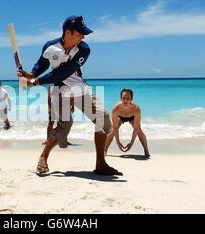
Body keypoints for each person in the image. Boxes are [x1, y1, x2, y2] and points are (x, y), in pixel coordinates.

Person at [18, 15, 122, 176]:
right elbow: (42, 64)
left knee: (103, 119)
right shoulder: (49, 46)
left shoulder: (84, 49)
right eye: (80, 33)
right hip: (59, 92)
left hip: (80, 88)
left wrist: (35, 82)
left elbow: (63, 73)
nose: (83, 36)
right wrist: (31, 74)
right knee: (63, 130)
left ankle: (101, 164)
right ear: (68, 33)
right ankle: (43, 157)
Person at [105, 89, 150, 157]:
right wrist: (118, 143)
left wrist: (131, 144)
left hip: (132, 117)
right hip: (121, 117)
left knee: (139, 131)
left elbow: (136, 128)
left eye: (128, 98)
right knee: (112, 131)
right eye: (123, 98)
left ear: (131, 99)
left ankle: (146, 152)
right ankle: (104, 151)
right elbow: (115, 128)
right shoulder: (115, 109)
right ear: (121, 99)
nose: (125, 100)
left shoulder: (136, 109)